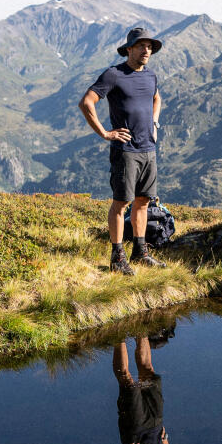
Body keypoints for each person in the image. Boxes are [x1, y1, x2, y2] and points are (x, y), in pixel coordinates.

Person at [79, 27, 167, 275]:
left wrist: (155, 123)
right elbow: (86, 102)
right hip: (125, 151)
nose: (146, 50)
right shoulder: (114, 75)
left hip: (148, 149)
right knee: (121, 203)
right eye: (141, 46)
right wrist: (105, 133)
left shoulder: (150, 76)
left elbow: (156, 98)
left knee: (143, 201)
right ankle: (118, 258)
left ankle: (140, 253)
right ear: (129, 49)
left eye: (149, 46)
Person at [111, 333, 169, 444]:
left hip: (136, 428)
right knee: (148, 371)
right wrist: (165, 440)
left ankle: (118, 333)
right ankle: (140, 329)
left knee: (127, 381)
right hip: (156, 423)